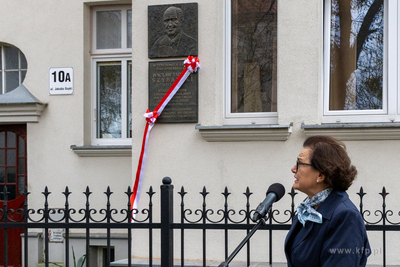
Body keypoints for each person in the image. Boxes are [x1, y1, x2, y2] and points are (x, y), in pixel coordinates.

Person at [285, 136, 370, 267]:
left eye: (299, 163)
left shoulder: (345, 217)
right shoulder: (308, 210)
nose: (293, 169)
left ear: (320, 175)